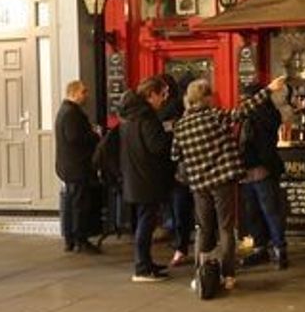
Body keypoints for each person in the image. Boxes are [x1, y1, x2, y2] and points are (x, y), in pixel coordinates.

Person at [172, 76, 286, 292]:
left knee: (204, 229)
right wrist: (269, 89)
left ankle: (201, 272)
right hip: (222, 181)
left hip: (199, 184)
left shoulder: (181, 125)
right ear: (206, 98)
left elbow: (175, 155)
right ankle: (228, 274)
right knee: (225, 228)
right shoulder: (215, 117)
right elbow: (243, 110)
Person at [119, 76, 174, 281]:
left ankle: (146, 262)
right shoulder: (147, 117)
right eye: (162, 94)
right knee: (146, 223)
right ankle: (142, 268)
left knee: (144, 221)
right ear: (151, 95)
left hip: (134, 176)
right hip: (147, 178)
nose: (164, 99)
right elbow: (156, 146)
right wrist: (170, 134)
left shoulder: (130, 116)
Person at [239, 81, 288, 270]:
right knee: (263, 211)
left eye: (246, 97)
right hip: (257, 168)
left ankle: (270, 247)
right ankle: (273, 248)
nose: (243, 101)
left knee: (264, 211)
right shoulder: (267, 113)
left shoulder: (257, 114)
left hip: (257, 168)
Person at [55, 80, 101, 254]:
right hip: (76, 165)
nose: (86, 95)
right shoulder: (71, 113)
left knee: (71, 201)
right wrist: (94, 135)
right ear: (73, 93)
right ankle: (80, 238)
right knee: (79, 204)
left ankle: (70, 238)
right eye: (83, 92)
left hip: (68, 165)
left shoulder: (64, 111)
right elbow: (75, 137)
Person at [158, 73, 195, 268]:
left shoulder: (170, 108)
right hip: (195, 170)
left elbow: (173, 148)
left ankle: (181, 245)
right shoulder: (180, 110)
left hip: (178, 170)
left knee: (180, 208)